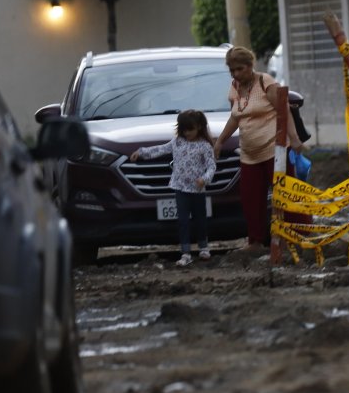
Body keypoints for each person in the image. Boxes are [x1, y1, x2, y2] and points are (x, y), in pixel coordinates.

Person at [213, 46, 307, 250]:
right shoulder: (234, 88)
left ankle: (299, 236)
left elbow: (284, 111)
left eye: (240, 69)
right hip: (249, 154)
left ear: (250, 66)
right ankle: (256, 241)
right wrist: (220, 141)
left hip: (275, 150)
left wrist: (294, 138)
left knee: (286, 194)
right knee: (251, 199)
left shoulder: (265, 82)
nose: (236, 74)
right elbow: (235, 117)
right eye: (232, 71)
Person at [131, 110, 217, 266]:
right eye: (183, 129)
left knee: (200, 219)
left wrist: (204, 179)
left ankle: (203, 247)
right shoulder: (177, 142)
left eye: (190, 129)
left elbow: (211, 166)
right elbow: (160, 149)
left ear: (199, 127)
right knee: (183, 220)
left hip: (198, 190)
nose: (186, 133)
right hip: (180, 188)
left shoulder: (205, 146)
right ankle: (185, 252)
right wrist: (141, 152)